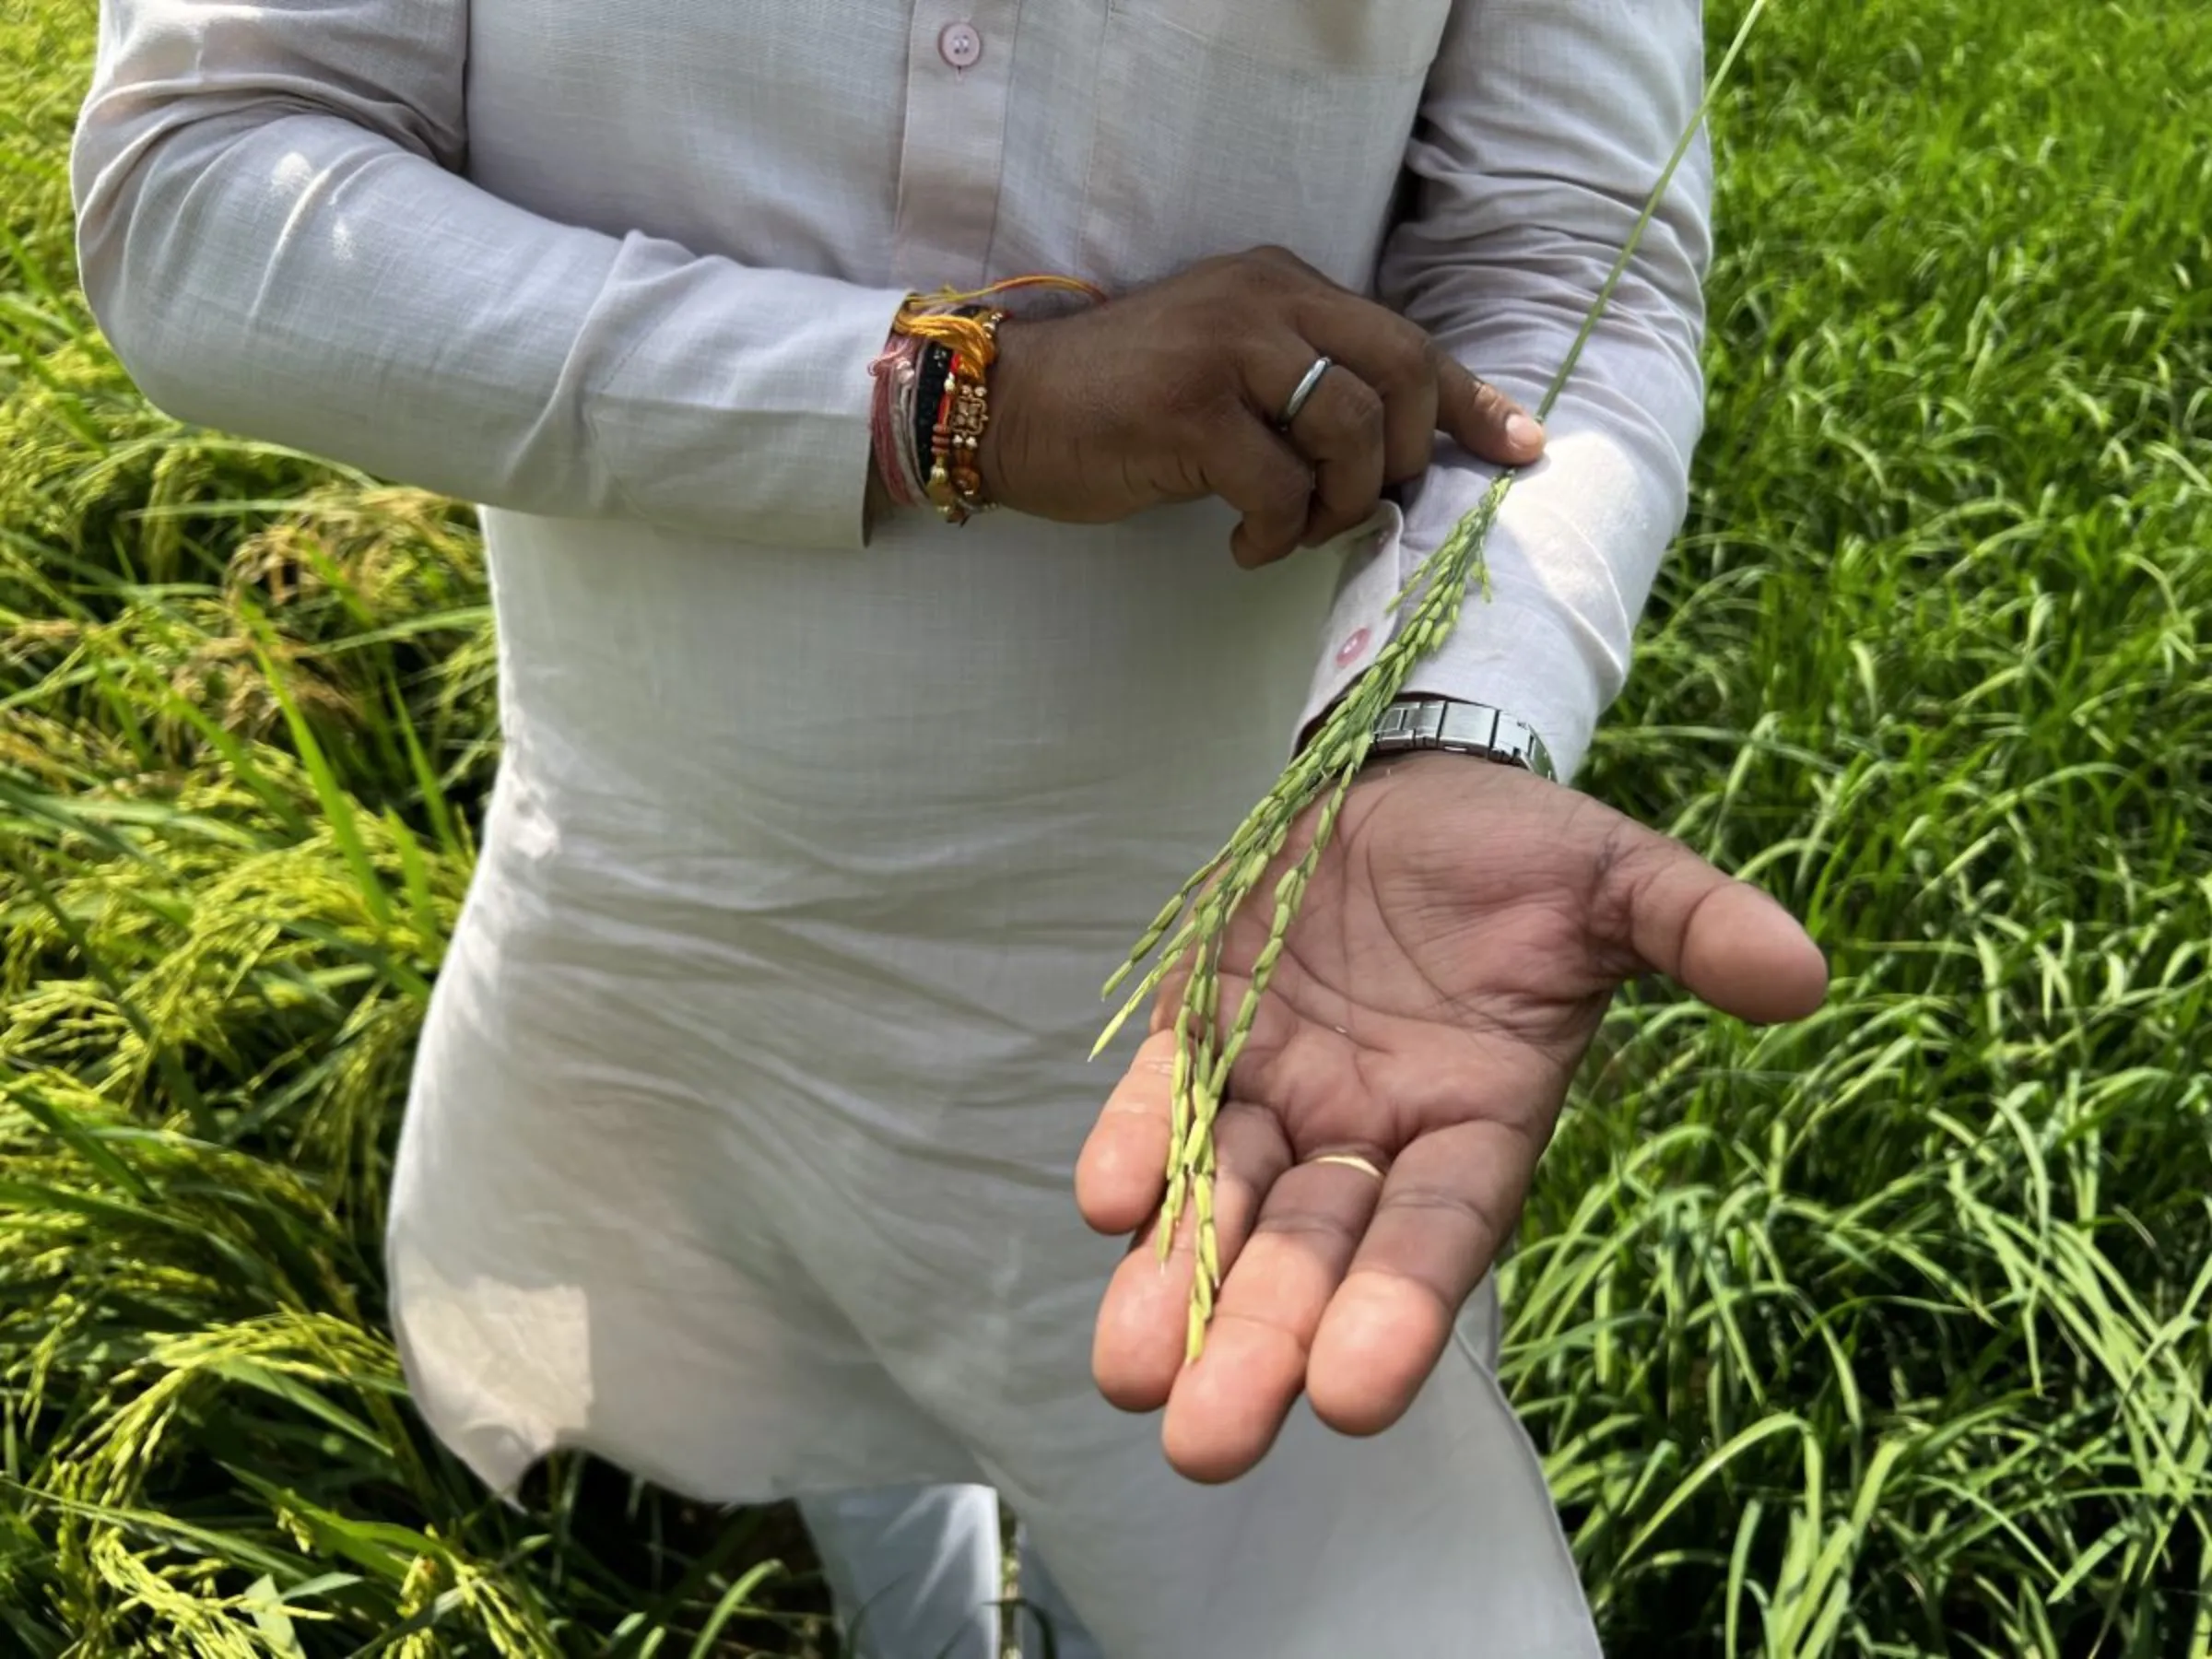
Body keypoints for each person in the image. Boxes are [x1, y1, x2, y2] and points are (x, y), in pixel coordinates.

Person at [70, 0, 1828, 1652]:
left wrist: (1442, 722)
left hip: (1241, 974)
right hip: (661, 906)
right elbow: (205, 179)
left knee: (1266, 1528)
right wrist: (958, 393)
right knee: (822, 1424)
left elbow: (1556, 256)